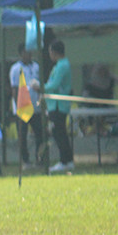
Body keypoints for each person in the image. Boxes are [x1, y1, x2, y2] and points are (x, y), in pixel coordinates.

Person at [40, 40, 73, 173]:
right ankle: (67, 161)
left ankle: (65, 161)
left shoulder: (62, 66)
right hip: (55, 105)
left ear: (54, 52)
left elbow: (53, 85)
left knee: (59, 133)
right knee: (60, 133)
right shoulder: (60, 65)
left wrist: (40, 87)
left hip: (58, 106)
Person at [8, 43, 43, 167]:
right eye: (26, 52)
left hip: (36, 107)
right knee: (22, 136)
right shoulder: (16, 68)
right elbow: (14, 89)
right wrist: (18, 107)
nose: (29, 55)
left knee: (40, 134)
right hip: (23, 107)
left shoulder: (37, 67)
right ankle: (25, 160)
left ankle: (40, 158)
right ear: (21, 53)